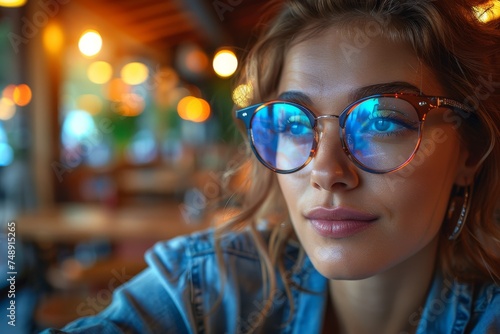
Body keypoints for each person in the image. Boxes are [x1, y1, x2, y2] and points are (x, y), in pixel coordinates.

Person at [44, 0, 500, 333]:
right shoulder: (207, 289)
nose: (325, 171)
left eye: (380, 121)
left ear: (468, 153)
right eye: (293, 124)